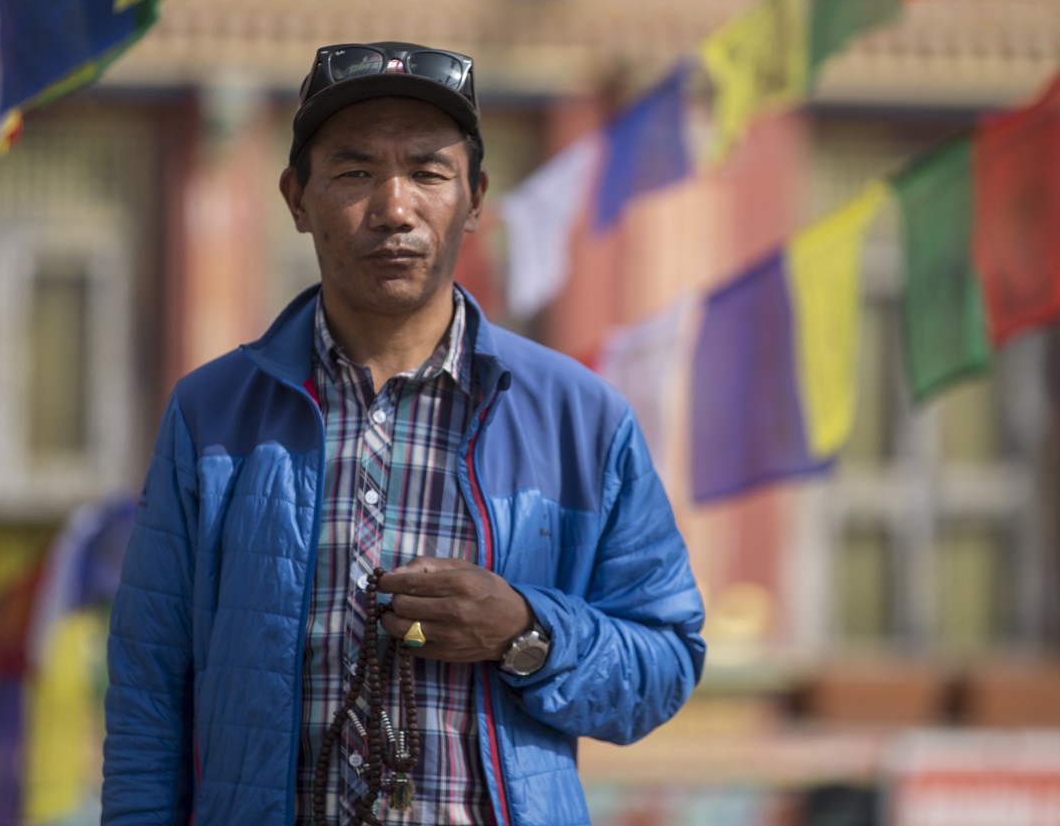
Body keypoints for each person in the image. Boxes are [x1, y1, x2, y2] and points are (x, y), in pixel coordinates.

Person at [102, 41, 705, 826]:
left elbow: (665, 663)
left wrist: (525, 632)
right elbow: (150, 694)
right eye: (355, 173)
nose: (394, 207)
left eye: (428, 172)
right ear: (296, 198)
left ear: (476, 197)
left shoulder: (578, 418)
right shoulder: (214, 416)